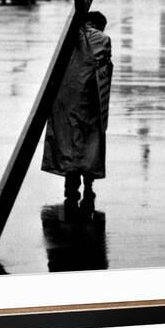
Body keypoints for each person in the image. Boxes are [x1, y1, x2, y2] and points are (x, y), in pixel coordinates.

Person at [41, 11, 113, 217]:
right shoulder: (102, 39)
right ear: (100, 25)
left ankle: (70, 186)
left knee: (68, 141)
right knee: (90, 141)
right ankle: (89, 183)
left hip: (65, 98)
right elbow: (104, 68)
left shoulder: (69, 36)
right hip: (90, 100)